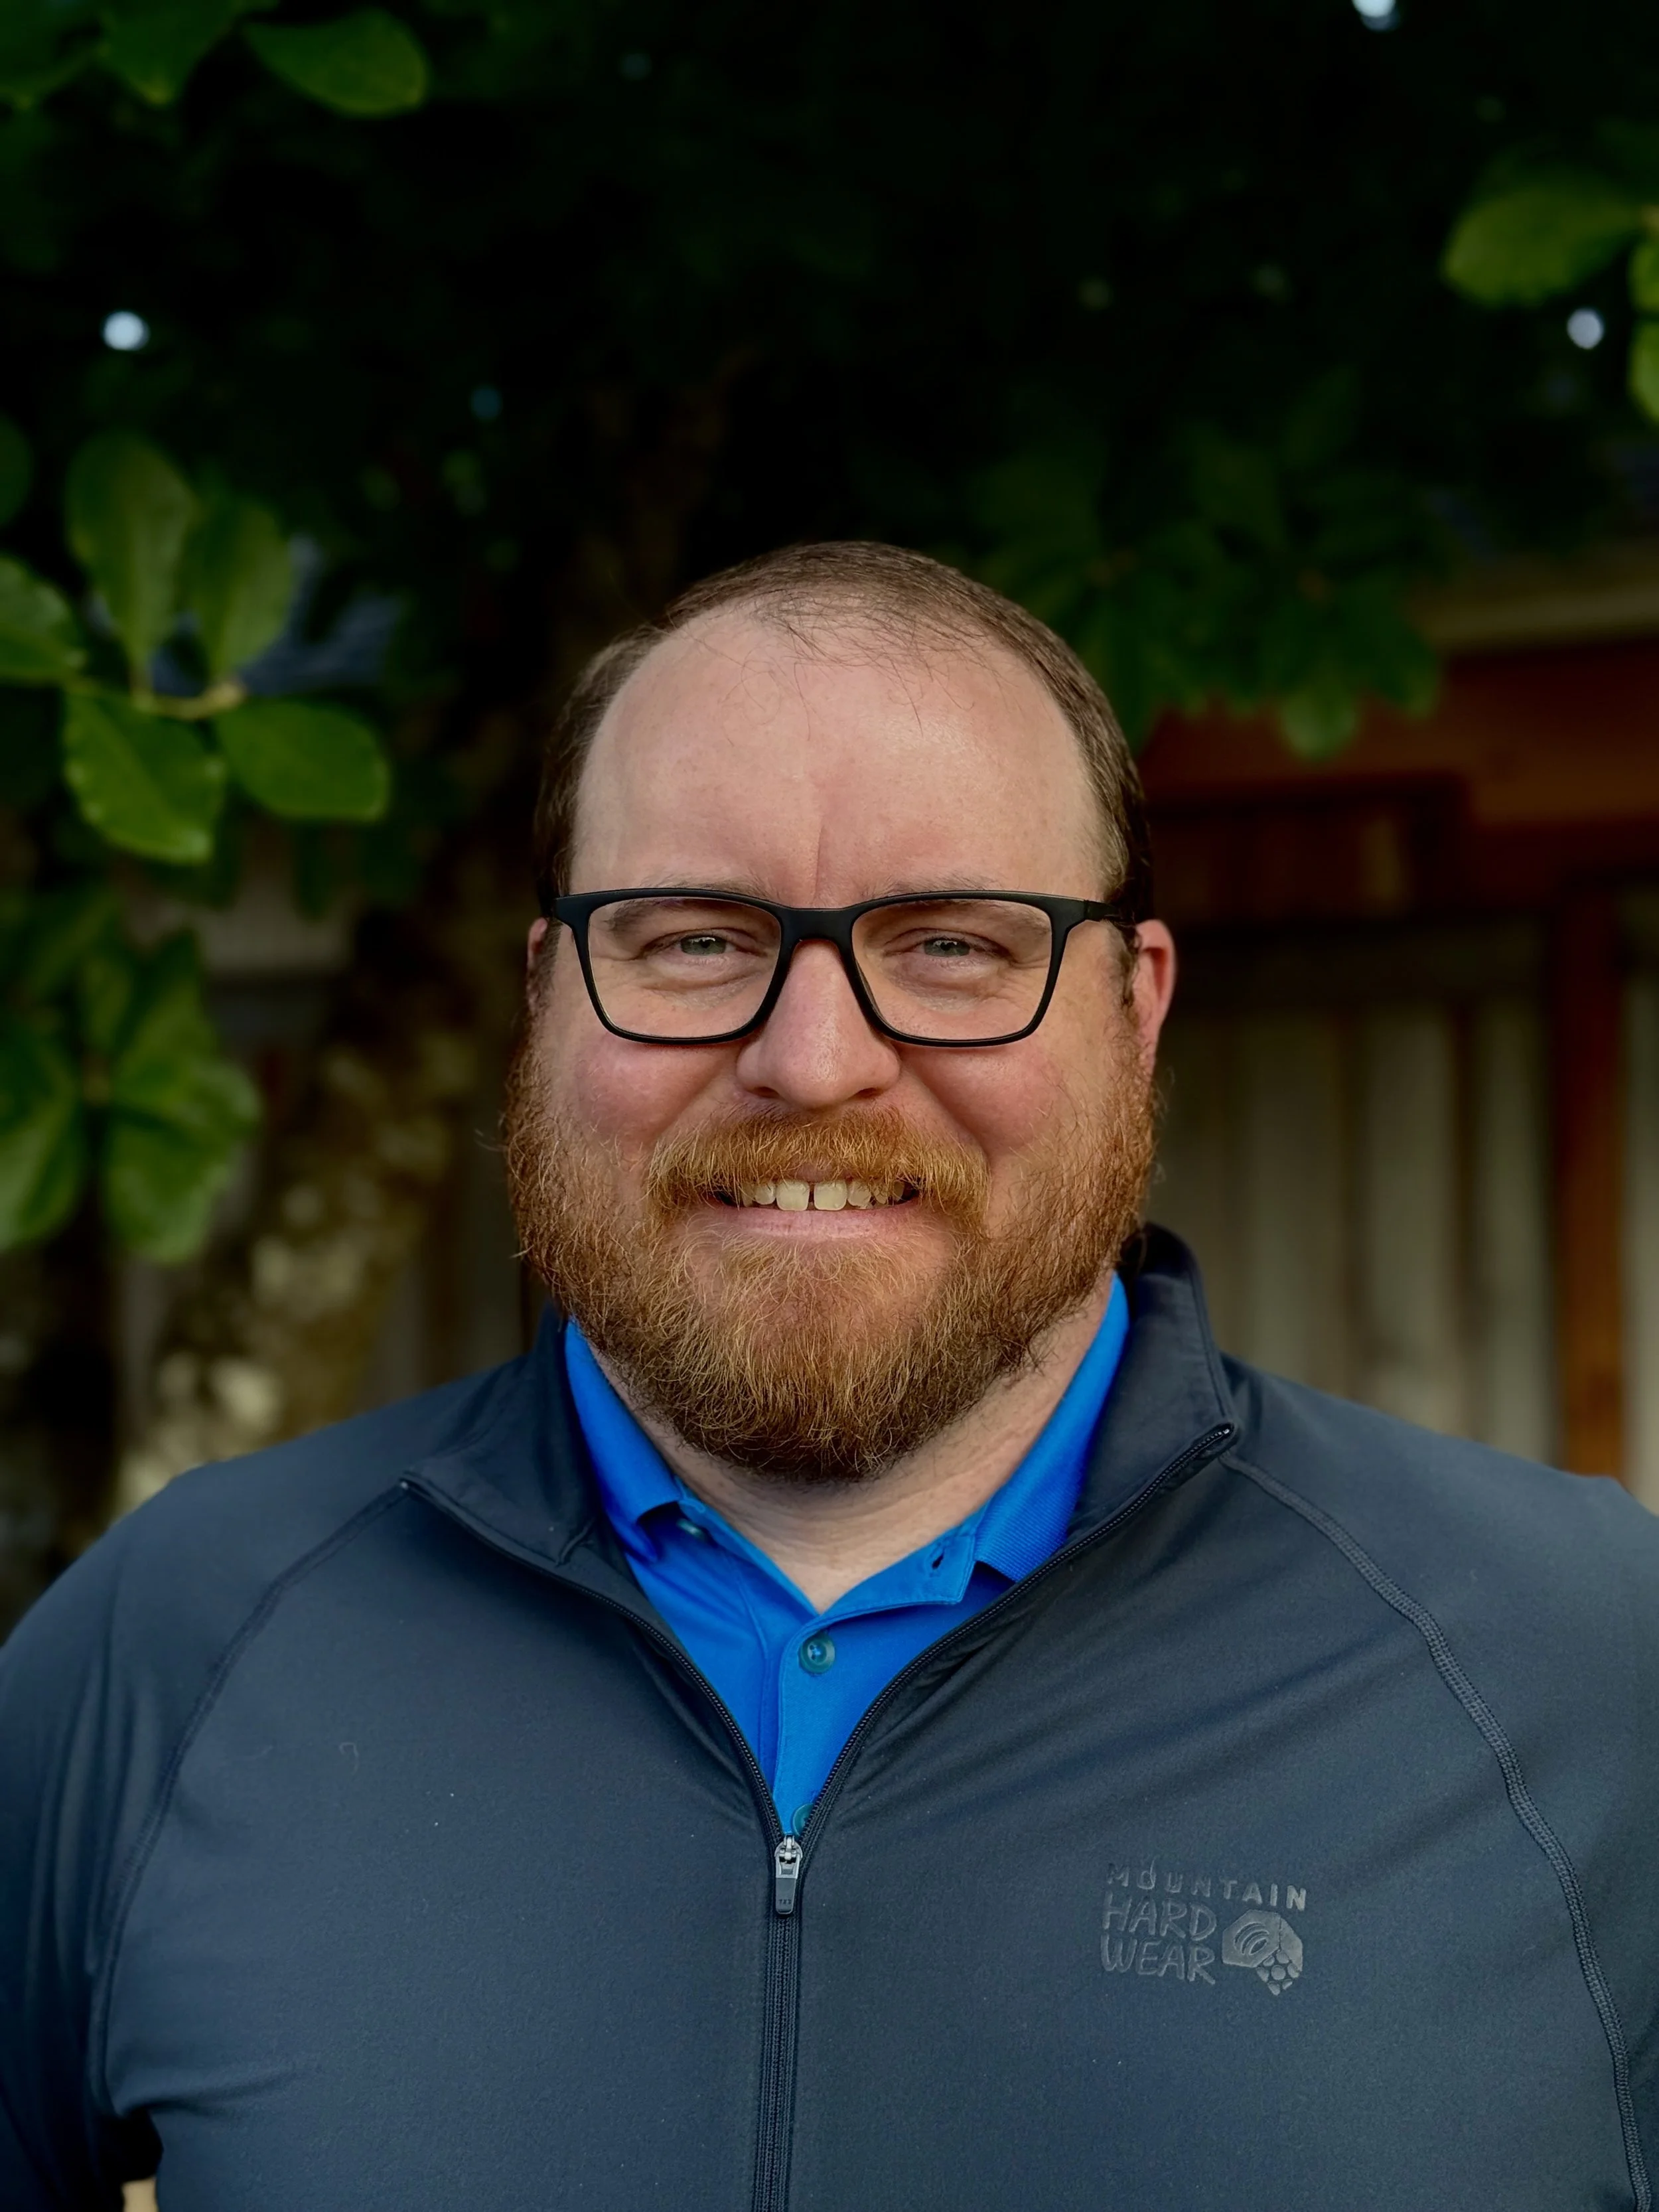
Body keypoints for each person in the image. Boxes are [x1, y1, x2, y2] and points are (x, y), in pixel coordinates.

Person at [2, 542, 1656, 2212]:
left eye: (948, 943)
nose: (810, 1060)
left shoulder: (1580, 1678)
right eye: (692, 940)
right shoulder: (171, 1651)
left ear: (1133, 1011)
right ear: (544, 997)